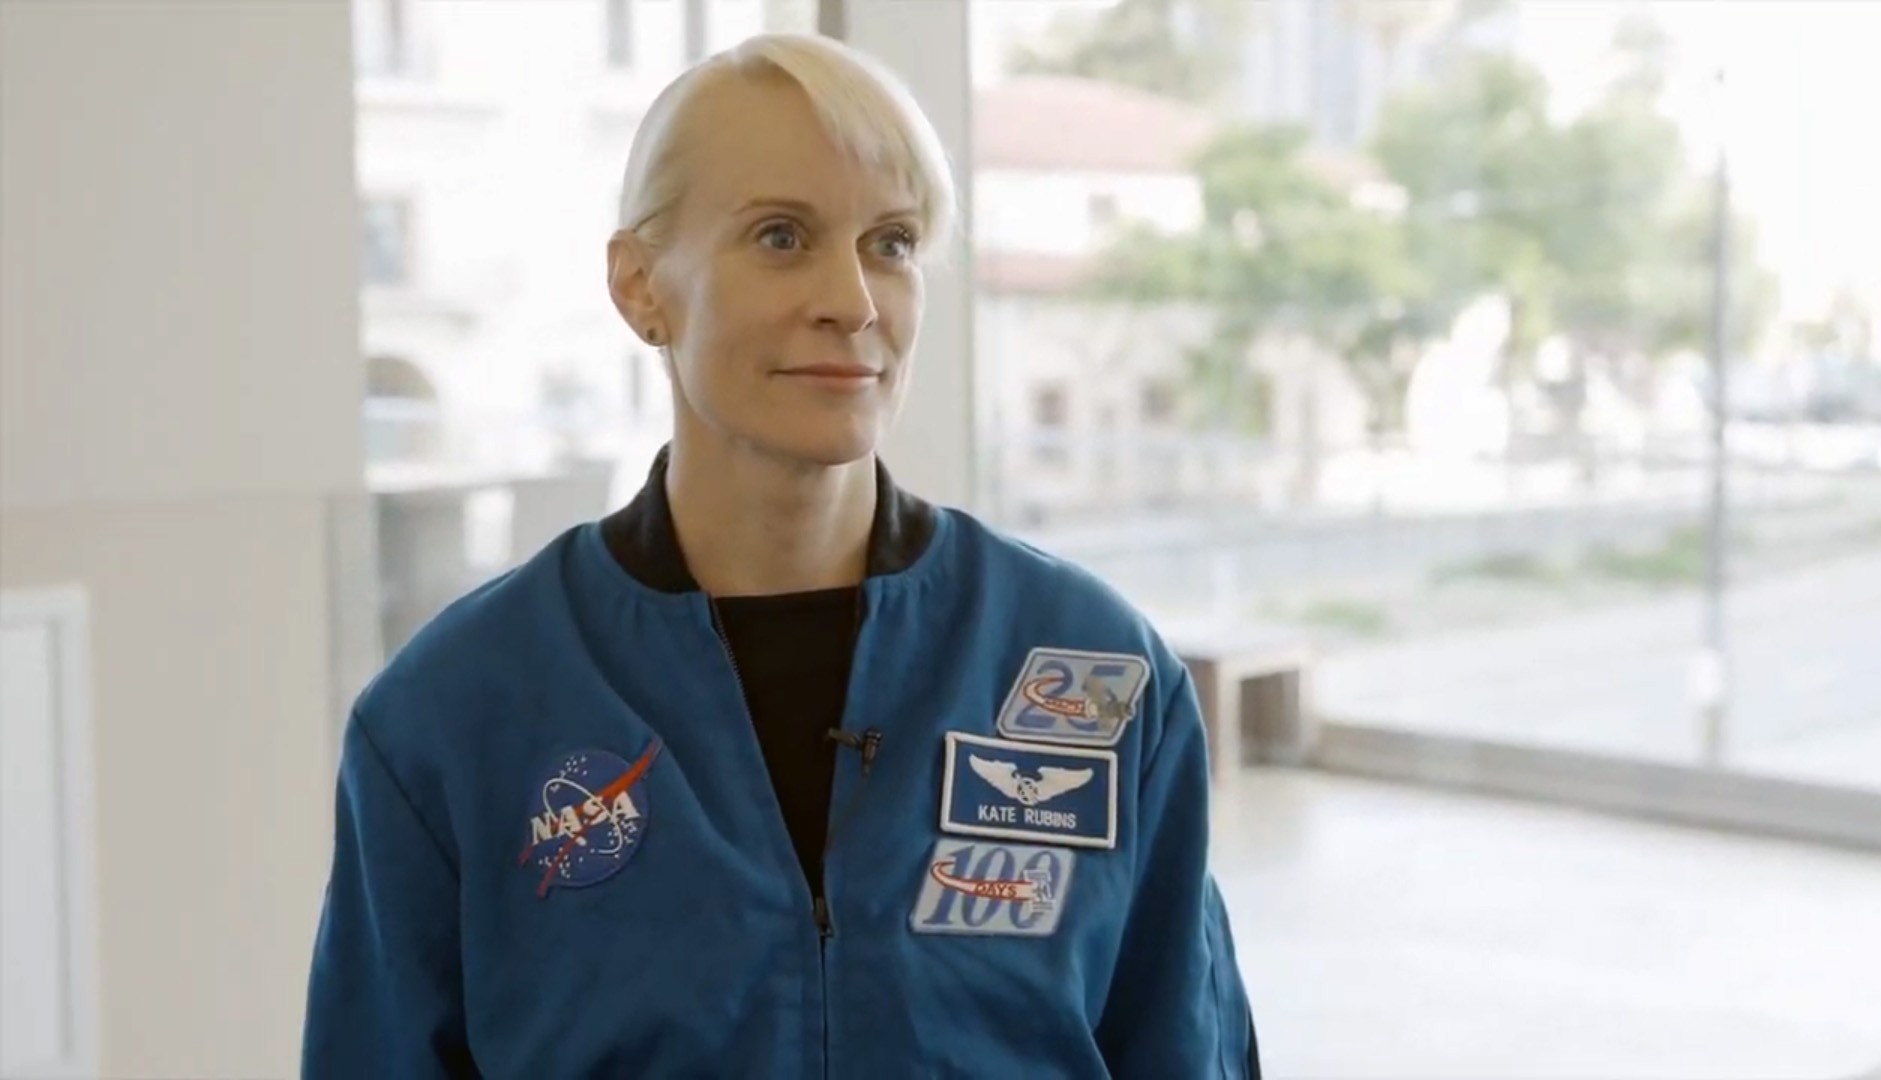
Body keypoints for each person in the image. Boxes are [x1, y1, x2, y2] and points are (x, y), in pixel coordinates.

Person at [303, 31, 1258, 1078]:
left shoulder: (1096, 672)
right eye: (781, 236)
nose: (853, 300)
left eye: (890, 243)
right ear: (639, 285)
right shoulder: (455, 714)